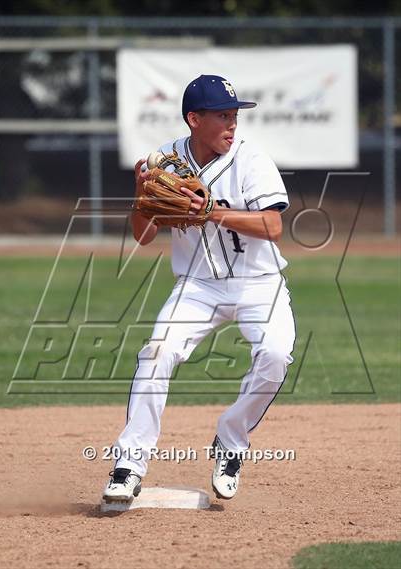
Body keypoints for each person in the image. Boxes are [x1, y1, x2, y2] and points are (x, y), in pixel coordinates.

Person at [103, 75, 296, 502]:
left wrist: (211, 212)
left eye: (235, 115)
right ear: (194, 119)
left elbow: (274, 226)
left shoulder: (251, 160)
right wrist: (141, 193)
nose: (232, 124)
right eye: (223, 116)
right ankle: (128, 465)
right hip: (197, 286)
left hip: (257, 283)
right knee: (157, 352)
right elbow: (144, 236)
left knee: (275, 356)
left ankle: (231, 439)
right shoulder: (166, 163)